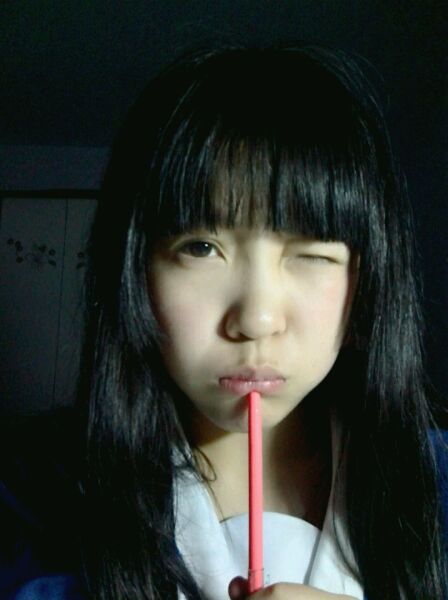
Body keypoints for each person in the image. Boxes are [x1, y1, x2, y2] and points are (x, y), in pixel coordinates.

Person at [1, 43, 447, 600]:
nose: (256, 320)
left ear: (368, 282)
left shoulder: (435, 485)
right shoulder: (32, 500)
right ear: (136, 271)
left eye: (312, 253)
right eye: (202, 248)